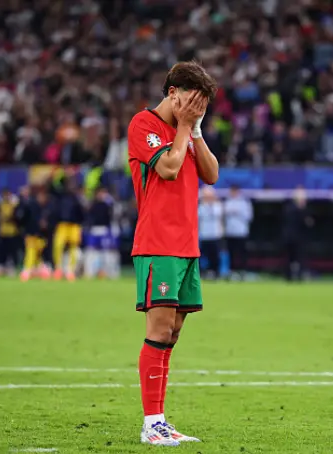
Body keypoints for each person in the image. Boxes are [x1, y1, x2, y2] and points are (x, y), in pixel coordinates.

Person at [127, 61, 218, 446]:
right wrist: (183, 128)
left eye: (203, 106)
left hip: (187, 246)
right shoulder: (143, 124)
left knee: (173, 333)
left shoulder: (188, 131)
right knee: (159, 329)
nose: (197, 109)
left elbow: (211, 173)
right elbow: (168, 168)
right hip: (158, 242)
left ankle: (161, 421)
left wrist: (194, 130)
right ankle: (152, 423)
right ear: (173, 93)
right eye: (193, 102)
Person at [52, 179, 85, 281]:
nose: (71, 187)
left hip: (74, 225)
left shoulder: (76, 199)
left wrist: (80, 224)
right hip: (62, 224)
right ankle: (58, 269)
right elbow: (53, 186)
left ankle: (70, 270)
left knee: (73, 248)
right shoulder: (61, 196)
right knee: (58, 246)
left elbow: (81, 213)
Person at [83, 187, 117, 279]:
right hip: (94, 230)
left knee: (106, 252)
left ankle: (108, 272)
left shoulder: (108, 205)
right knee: (92, 251)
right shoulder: (93, 204)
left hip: (104, 229)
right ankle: (90, 272)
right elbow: (89, 217)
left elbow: (111, 216)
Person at [19, 190, 52, 281]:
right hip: (32, 234)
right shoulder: (32, 206)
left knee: (37, 254)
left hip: (39, 236)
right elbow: (27, 220)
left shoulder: (44, 207)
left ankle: (36, 270)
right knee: (31, 252)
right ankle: (27, 270)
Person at [282, 187, 313, 281]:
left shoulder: (304, 209)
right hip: (290, 237)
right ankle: (289, 276)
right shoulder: (290, 208)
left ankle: (299, 275)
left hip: (299, 237)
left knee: (300, 258)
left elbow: (308, 223)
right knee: (290, 257)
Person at [223, 185, 253, 279]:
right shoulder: (227, 202)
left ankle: (243, 271)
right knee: (231, 253)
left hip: (241, 232)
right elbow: (223, 215)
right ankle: (232, 271)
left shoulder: (244, 202)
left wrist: (237, 212)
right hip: (230, 232)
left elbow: (249, 216)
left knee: (242, 253)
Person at [198, 186, 224, 279]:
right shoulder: (200, 207)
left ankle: (216, 273)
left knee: (215, 256)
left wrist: (211, 204)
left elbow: (217, 215)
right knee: (201, 256)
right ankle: (202, 273)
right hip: (204, 235)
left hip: (215, 235)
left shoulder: (217, 206)